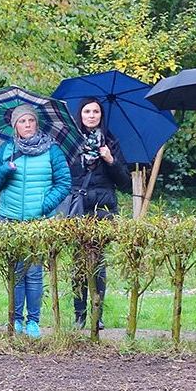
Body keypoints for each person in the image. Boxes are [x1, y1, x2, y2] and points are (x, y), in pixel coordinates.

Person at [0, 105, 71, 338]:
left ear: (37, 123)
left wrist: (44, 205)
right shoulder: (6, 149)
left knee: (33, 273)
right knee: (15, 272)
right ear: (15, 126)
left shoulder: (52, 150)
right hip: (9, 219)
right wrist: (4, 169)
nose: (27, 125)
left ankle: (33, 321)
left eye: (31, 120)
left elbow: (64, 183)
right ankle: (16, 320)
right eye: (22, 121)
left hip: (37, 221)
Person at [67, 99, 130, 329]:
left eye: (96, 111)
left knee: (98, 264)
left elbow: (124, 181)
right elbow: (64, 177)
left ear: (101, 116)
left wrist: (110, 160)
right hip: (78, 207)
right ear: (80, 115)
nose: (91, 115)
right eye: (87, 111)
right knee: (78, 264)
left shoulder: (111, 142)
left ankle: (97, 312)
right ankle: (79, 313)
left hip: (103, 210)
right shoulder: (72, 143)